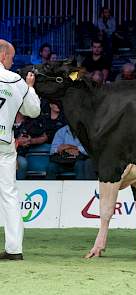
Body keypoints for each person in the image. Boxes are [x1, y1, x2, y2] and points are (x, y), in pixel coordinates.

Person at [0, 39, 40, 260]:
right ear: (3, 56)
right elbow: (33, 111)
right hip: (4, 144)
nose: (13, 62)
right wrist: (30, 88)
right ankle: (14, 249)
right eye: (12, 58)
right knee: (9, 195)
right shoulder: (16, 80)